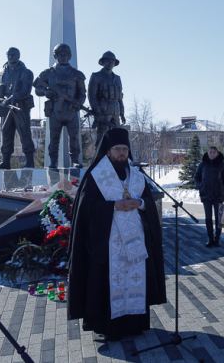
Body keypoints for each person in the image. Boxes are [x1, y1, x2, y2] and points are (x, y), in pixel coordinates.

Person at [67, 128, 166, 340]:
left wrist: (139, 203)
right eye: (117, 149)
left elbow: (148, 201)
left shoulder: (137, 175)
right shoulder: (96, 175)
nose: (122, 153)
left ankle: (134, 324)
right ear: (108, 151)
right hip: (107, 245)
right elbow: (86, 209)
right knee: (109, 284)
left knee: (135, 281)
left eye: (125, 149)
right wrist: (112, 206)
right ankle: (108, 327)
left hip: (135, 244)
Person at [34, 43, 87, 169]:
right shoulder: (48, 73)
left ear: (69, 56)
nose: (63, 57)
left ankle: (75, 160)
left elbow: (82, 93)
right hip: (54, 111)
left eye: (65, 55)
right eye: (60, 55)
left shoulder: (77, 74)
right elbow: (37, 89)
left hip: (71, 111)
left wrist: (78, 103)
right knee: (54, 137)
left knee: (74, 136)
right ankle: (53, 161)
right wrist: (46, 92)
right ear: (55, 56)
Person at [0, 47, 36, 169]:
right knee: (5, 133)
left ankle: (30, 161)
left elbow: (26, 90)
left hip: (20, 108)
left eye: (14, 54)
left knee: (24, 133)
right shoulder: (0, 73)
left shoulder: (26, 72)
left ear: (19, 56)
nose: (11, 57)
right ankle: (5, 161)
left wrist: (11, 99)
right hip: (5, 108)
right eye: (9, 54)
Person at [88, 51, 126, 149]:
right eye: (108, 61)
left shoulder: (117, 78)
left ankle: (116, 159)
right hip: (104, 110)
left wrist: (122, 113)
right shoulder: (96, 76)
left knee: (117, 135)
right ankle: (100, 159)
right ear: (103, 62)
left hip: (116, 111)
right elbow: (92, 96)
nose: (110, 63)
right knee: (102, 136)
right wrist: (98, 112)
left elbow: (120, 98)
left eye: (112, 62)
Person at [194, 146, 224, 247]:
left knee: (219, 217)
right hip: (206, 195)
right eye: (210, 152)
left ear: (217, 154)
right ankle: (210, 239)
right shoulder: (203, 164)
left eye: (214, 152)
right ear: (207, 153)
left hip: (218, 195)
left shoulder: (222, 165)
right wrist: (201, 185)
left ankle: (217, 239)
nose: (212, 154)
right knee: (208, 217)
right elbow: (196, 177)